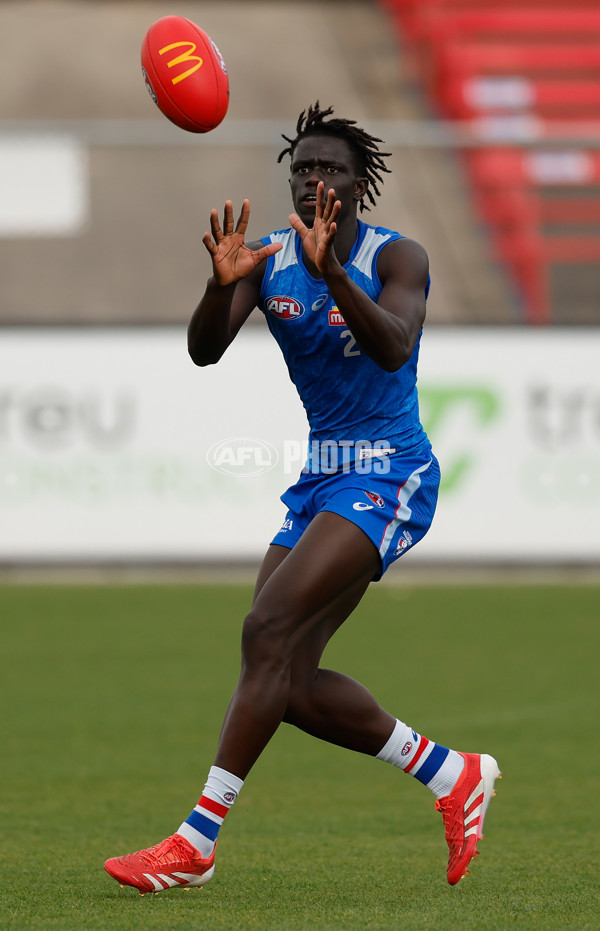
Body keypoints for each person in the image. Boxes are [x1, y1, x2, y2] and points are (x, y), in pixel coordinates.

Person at [105, 102, 500, 894]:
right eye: (303, 169)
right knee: (276, 670)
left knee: (266, 626)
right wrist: (219, 288)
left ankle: (196, 841)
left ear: (361, 186)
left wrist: (331, 276)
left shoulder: (400, 256)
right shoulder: (270, 260)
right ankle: (451, 773)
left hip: (389, 471)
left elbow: (393, 345)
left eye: (331, 169)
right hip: (322, 476)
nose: (315, 179)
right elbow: (203, 351)